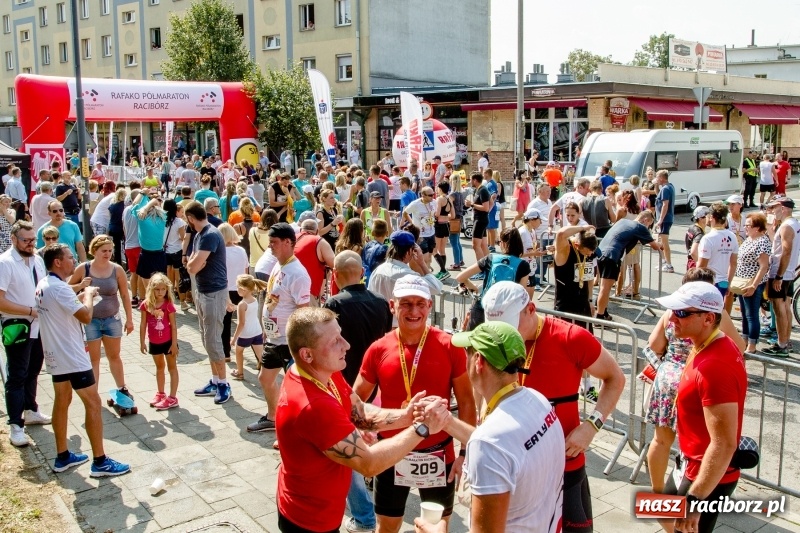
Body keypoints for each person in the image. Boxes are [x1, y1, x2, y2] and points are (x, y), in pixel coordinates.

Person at [275, 306, 450, 533]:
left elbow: (360, 413)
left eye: (341, 335)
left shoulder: (321, 370)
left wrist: (407, 416)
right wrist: (422, 428)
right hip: (309, 520)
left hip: (315, 508)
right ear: (307, 354)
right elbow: (369, 464)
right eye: (335, 341)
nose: (346, 345)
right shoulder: (314, 406)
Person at [482, 281, 625, 533]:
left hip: (563, 466)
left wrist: (591, 426)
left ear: (530, 309)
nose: (505, 335)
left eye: (511, 325)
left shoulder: (571, 337)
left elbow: (615, 378)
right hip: (514, 468)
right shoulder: (495, 340)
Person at [414, 321, 566, 533]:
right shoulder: (538, 401)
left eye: (467, 351)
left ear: (478, 361)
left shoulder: (489, 442)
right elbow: (506, 448)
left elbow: (492, 445)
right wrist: (447, 421)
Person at [354, 275, 477, 533]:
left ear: (430, 306)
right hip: (391, 451)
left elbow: (466, 400)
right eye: (406, 304)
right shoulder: (378, 349)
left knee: (435, 527)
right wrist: (359, 429)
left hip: (439, 453)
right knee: (386, 527)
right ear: (392, 305)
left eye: (420, 304)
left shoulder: (448, 345)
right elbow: (355, 398)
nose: (414, 311)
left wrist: (465, 453)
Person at [654, 282, 747, 533]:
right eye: (673, 310)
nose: (672, 317)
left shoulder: (715, 366)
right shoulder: (706, 343)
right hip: (689, 463)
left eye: (682, 312)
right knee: (658, 511)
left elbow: (724, 443)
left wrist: (696, 500)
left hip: (703, 476)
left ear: (708, 318)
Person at [37, 243, 131, 477]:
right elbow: (86, 316)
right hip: (72, 356)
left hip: (55, 354)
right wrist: (88, 295)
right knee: (93, 403)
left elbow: (63, 308)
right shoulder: (60, 288)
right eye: (69, 257)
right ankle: (100, 461)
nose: (73, 260)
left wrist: (78, 296)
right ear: (57, 262)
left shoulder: (44, 284)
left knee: (62, 400)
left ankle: (63, 456)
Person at [324, 250, 393, 533]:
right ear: (362, 273)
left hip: (347, 385)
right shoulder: (380, 303)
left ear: (336, 276)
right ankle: (378, 482)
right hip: (376, 383)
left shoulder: (335, 304)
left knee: (352, 446)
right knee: (375, 436)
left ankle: (364, 513)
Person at [248, 222, 311, 434]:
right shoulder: (278, 264)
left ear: (287, 242)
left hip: (288, 341)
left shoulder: (298, 273)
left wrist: (299, 342)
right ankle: (273, 417)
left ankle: (297, 427)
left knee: (296, 387)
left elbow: (304, 311)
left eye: (273, 242)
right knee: (265, 378)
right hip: (274, 338)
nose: (270, 247)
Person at [0, 221, 51, 447]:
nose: (31, 244)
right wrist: (30, 311)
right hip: (18, 325)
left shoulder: (38, 260)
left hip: (39, 326)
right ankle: (15, 425)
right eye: (26, 240)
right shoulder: (5, 263)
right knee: (17, 375)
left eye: (33, 240)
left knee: (34, 369)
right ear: (14, 239)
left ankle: (31, 410)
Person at [68, 234, 135, 392]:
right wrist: (80, 286)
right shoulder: (84, 268)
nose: (107, 254)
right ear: (94, 251)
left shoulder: (116, 269)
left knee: (114, 356)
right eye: (104, 251)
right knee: (94, 359)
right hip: (90, 320)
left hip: (112, 319)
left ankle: (121, 387)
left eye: (110, 251)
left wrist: (130, 319)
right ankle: (93, 392)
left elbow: (125, 295)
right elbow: (64, 289)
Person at [185, 201, 232, 404]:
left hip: (213, 293)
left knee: (213, 340)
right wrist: (193, 264)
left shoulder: (209, 235)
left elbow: (193, 266)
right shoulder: (199, 235)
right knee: (206, 338)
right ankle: (215, 380)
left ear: (190, 218)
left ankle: (223, 383)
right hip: (202, 291)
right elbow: (191, 264)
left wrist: (194, 264)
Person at [457, 227, 531, 330]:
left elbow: (460, 277)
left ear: (503, 243)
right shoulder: (523, 265)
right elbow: (521, 292)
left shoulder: (491, 258)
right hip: (506, 313)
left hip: (483, 306)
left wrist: (473, 287)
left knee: (473, 341)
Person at [595, 211, 662, 321]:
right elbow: (655, 246)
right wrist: (660, 244)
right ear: (646, 220)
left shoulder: (623, 221)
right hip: (611, 256)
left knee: (604, 286)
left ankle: (603, 311)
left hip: (601, 252)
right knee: (605, 288)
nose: (648, 227)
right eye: (649, 224)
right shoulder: (640, 227)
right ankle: (600, 316)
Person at [368, 230, 442, 325]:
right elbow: (436, 287)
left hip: (379, 326)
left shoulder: (378, 270)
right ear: (408, 252)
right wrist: (422, 263)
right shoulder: (407, 275)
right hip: (399, 328)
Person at [763, 195, 799, 357]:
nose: (771, 211)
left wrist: (778, 276)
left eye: (773, 208)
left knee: (779, 308)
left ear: (783, 208)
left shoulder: (786, 226)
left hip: (781, 273)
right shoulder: (793, 224)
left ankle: (782, 345)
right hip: (787, 272)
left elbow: (786, 251)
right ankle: (784, 342)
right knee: (785, 307)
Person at [139, 273, 179, 410]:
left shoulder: (169, 305)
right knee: (159, 367)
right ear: (151, 289)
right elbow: (143, 324)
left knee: (172, 368)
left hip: (168, 342)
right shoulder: (146, 305)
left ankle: (173, 397)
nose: (160, 292)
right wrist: (142, 341)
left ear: (167, 289)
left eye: (163, 289)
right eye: (157, 289)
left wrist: (174, 344)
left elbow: (173, 325)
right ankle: (161, 393)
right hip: (154, 342)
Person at [733, 212, 771, 353]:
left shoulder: (762, 242)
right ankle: (745, 339)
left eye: (748, 225)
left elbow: (764, 266)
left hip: (752, 283)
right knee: (744, 313)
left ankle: (752, 344)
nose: (745, 227)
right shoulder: (750, 239)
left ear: (757, 227)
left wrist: (754, 285)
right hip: (742, 281)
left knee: (751, 314)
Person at [553, 224, 599, 327]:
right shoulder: (566, 250)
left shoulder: (588, 253)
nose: (590, 255)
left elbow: (588, 278)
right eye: (586, 253)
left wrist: (590, 300)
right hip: (566, 307)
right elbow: (561, 234)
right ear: (578, 245)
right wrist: (583, 228)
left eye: (591, 252)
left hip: (583, 305)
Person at [230, 274, 269, 380]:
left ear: (244, 289)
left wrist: (234, 338)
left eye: (238, 287)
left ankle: (240, 373)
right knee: (261, 356)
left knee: (239, 352)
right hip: (257, 331)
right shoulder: (254, 299)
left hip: (245, 334)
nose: (236, 289)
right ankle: (269, 375)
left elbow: (241, 323)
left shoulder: (242, 304)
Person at [697, 202, 738, 299]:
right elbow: (733, 263)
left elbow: (702, 266)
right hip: (723, 282)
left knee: (708, 312)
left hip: (709, 283)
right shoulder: (732, 236)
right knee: (718, 311)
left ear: (711, 217)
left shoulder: (708, 238)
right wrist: (728, 282)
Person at [133, 188, 168, 289]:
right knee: (160, 287)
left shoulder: (142, 218)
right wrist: (150, 203)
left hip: (146, 254)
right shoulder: (163, 218)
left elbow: (134, 203)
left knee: (149, 287)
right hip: (160, 254)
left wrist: (142, 193)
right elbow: (155, 202)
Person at [402, 186, 438, 267]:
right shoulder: (415, 204)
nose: (432, 197)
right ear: (423, 195)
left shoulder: (434, 202)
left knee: (429, 258)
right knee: (424, 258)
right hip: (421, 235)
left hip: (431, 233)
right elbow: (405, 213)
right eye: (430, 195)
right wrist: (412, 223)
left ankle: (428, 275)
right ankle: (424, 276)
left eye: (433, 194)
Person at [465, 173, 495, 267]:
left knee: (475, 245)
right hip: (481, 219)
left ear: (475, 180)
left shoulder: (482, 190)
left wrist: (472, 205)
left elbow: (485, 207)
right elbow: (491, 203)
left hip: (480, 220)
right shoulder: (479, 190)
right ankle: (488, 267)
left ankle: (481, 269)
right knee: (483, 244)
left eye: (470, 179)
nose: (470, 181)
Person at [654, 170, 675, 273]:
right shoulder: (669, 187)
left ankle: (669, 264)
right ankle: (664, 262)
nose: (656, 179)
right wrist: (656, 185)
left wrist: (660, 220)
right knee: (662, 242)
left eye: (657, 177)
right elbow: (659, 196)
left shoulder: (666, 189)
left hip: (665, 220)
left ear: (662, 178)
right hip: (666, 219)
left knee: (665, 243)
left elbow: (665, 205)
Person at [432, 182, 454, 280]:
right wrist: (445, 216)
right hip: (446, 225)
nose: (436, 190)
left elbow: (436, 214)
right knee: (442, 250)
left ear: (440, 189)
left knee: (434, 250)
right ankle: (442, 271)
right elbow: (453, 216)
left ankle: (443, 270)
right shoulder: (450, 199)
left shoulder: (440, 199)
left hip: (439, 225)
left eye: (437, 188)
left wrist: (432, 213)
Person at [447, 175, 465, 271]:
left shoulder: (452, 195)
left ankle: (456, 263)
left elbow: (448, 207)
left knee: (454, 242)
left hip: (454, 219)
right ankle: (460, 260)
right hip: (460, 218)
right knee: (457, 241)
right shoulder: (460, 193)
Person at [685, 206, 709, 270]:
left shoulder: (691, 227)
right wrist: (700, 265)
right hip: (695, 264)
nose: (709, 219)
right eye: (707, 216)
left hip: (690, 262)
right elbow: (693, 252)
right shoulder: (700, 234)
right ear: (701, 218)